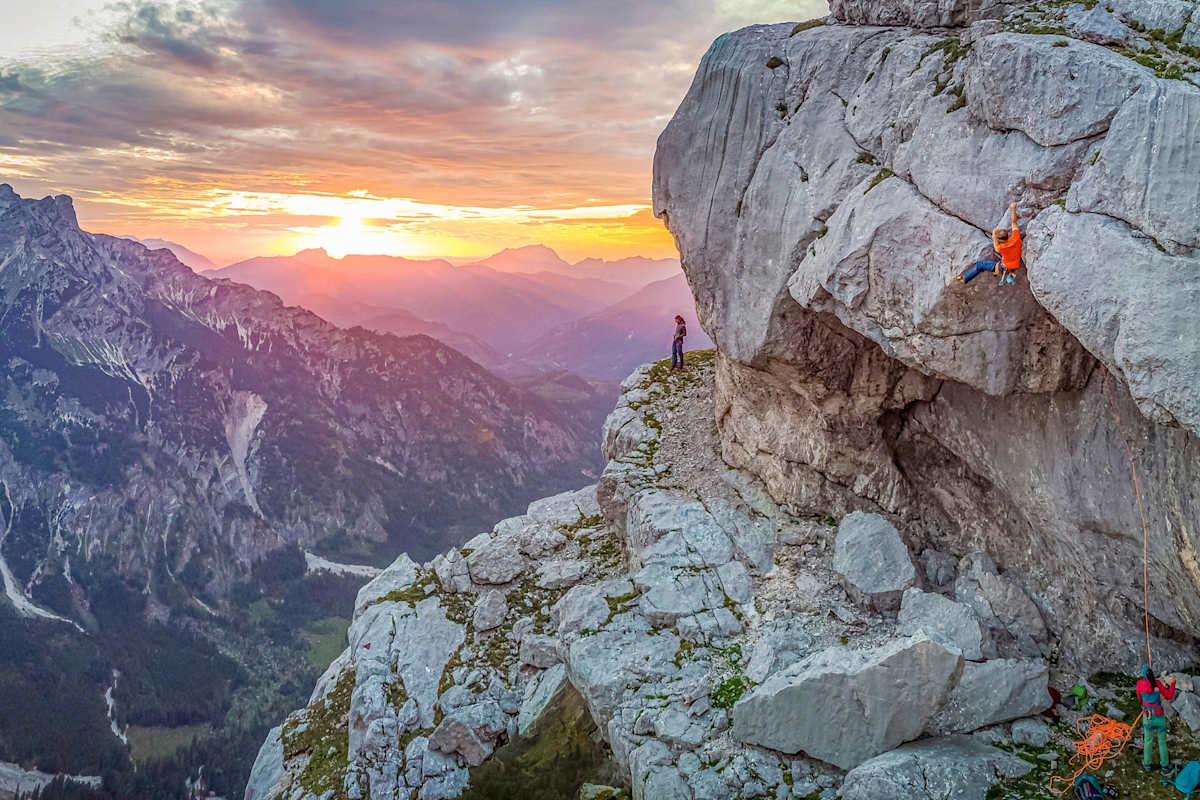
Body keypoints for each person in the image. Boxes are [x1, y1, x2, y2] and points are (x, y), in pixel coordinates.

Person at [958, 202, 1022, 285]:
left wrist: (994, 235)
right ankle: (1011, 275)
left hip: (1004, 267)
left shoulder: (1000, 248)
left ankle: (964, 279)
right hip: (1015, 263)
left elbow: (995, 243)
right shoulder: (1016, 238)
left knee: (980, 265)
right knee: (1005, 260)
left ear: (1000, 241)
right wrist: (1013, 208)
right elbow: (1014, 222)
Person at [1137, 665, 1177, 773]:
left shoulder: (1139, 684)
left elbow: (1139, 698)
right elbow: (1169, 696)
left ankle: (1147, 764)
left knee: (1148, 740)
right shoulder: (1158, 684)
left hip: (1148, 716)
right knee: (1162, 741)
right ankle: (1164, 765)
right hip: (1159, 716)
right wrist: (1172, 684)